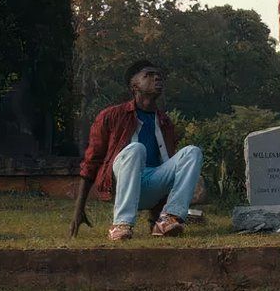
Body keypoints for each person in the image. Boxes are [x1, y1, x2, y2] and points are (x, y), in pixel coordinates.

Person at [74, 61, 203, 241]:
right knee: (136, 149)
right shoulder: (111, 116)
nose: (157, 78)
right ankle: (121, 224)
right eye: (148, 75)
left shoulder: (165, 122)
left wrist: (155, 216)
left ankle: (169, 219)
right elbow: (91, 161)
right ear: (134, 85)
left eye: (159, 75)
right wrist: (79, 209)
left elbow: (167, 164)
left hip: (152, 187)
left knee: (192, 152)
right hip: (121, 184)